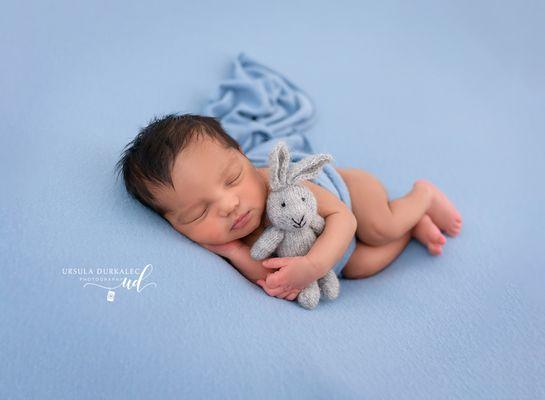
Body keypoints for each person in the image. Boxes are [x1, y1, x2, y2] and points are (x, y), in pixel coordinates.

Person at [116, 114, 462, 302]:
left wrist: (313, 264)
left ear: (241, 156)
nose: (228, 205)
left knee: (379, 228)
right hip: (336, 250)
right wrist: (236, 254)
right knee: (360, 267)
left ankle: (421, 198)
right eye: (197, 213)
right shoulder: (224, 240)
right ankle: (412, 226)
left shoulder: (281, 186)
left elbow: (345, 219)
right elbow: (273, 279)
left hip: (352, 197)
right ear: (173, 224)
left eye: (233, 178)